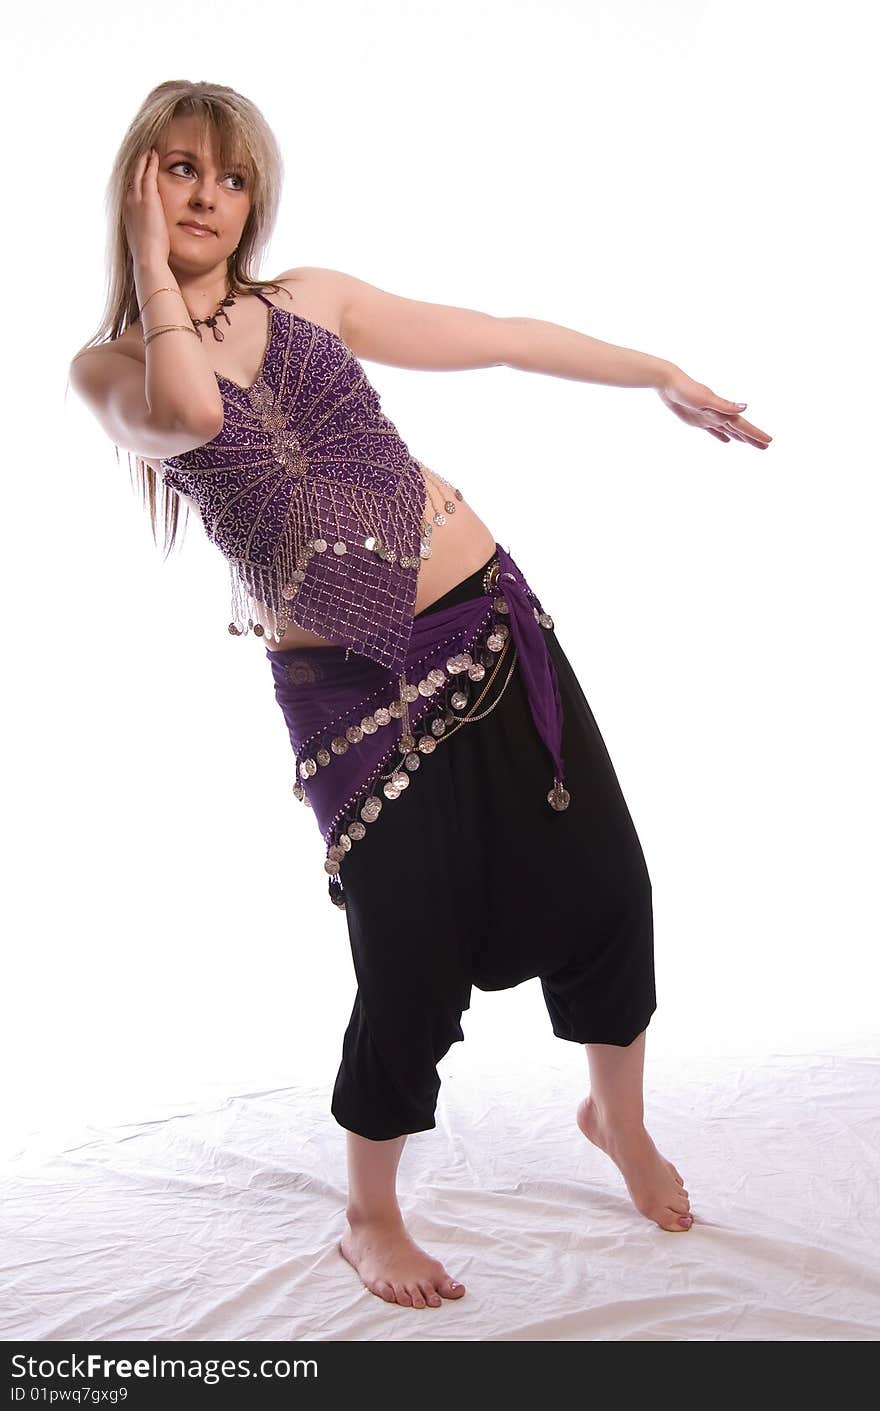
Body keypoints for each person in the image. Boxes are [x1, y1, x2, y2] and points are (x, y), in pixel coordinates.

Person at [69, 81, 773, 1313]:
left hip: (489, 617)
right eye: (179, 170)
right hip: (346, 684)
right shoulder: (109, 368)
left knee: (606, 883)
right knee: (408, 956)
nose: (208, 198)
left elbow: (495, 331)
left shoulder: (310, 300)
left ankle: (618, 1123)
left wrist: (653, 370)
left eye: (231, 180)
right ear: (138, 181)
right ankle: (370, 1211)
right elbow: (187, 413)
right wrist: (147, 266)